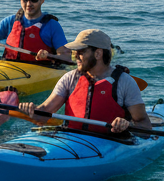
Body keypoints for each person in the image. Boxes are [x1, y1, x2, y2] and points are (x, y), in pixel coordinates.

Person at [19, 29, 151, 134]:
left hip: (110, 141)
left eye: (81, 51)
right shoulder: (70, 78)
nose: (75, 56)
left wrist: (126, 125)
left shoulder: (124, 82)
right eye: (75, 51)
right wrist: (31, 111)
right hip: (72, 138)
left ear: (98, 54)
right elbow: (43, 115)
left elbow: (145, 127)